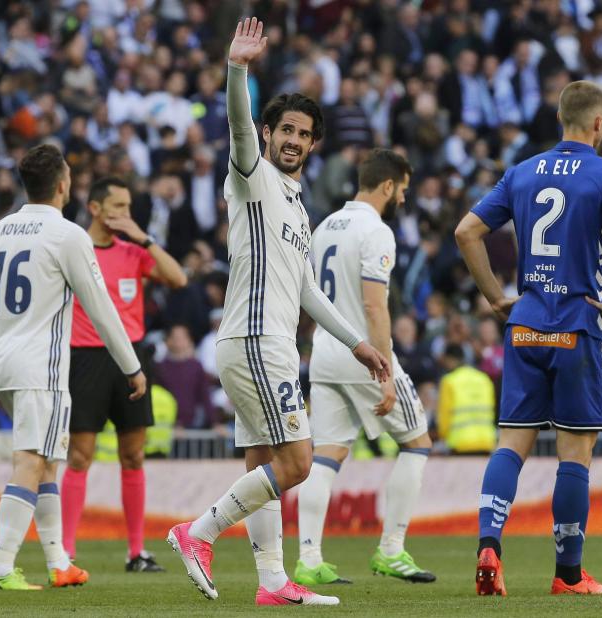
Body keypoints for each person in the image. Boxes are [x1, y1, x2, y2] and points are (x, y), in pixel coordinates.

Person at [166, 19, 389, 607]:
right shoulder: (252, 176)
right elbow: (237, 125)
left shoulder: (295, 201)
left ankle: (271, 583)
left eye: (304, 133)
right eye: (284, 128)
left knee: (263, 459)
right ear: (268, 133)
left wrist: (358, 341)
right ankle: (198, 532)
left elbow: (310, 292)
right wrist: (237, 69)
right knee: (297, 463)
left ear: (314, 144)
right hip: (255, 339)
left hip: (273, 342)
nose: (293, 138)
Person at [0, 144, 147, 590]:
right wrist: (131, 365)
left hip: (4, 362)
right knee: (31, 461)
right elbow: (102, 308)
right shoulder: (68, 235)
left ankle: (58, 562)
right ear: (64, 185)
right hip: (42, 368)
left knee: (48, 461)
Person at [455, 80, 602, 596]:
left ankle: (489, 544)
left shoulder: (523, 171)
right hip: (577, 326)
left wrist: (495, 296)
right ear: (598, 124)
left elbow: (465, 232)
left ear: (561, 119)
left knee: (511, 443)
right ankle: (568, 574)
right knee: (573, 454)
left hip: (526, 324)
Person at [296, 148, 436, 587]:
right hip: (364, 355)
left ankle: (308, 559)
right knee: (417, 443)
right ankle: (391, 550)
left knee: (327, 455)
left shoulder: (323, 227)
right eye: (404, 191)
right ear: (389, 186)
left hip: (324, 352)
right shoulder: (376, 232)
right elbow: (375, 307)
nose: (405, 201)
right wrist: (387, 371)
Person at [61, 176, 187, 572]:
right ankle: (64, 552)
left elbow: (178, 278)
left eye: (129, 207)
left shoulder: (134, 252)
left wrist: (144, 237)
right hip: (86, 357)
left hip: (132, 358)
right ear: (95, 208)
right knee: (79, 456)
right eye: (118, 207)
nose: (125, 215)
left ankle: (137, 552)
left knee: (133, 455)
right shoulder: (73, 248)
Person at [437, 343, 497, 455]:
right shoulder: (484, 379)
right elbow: (492, 409)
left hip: (460, 444)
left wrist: (443, 436)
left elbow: (444, 417)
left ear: (449, 359)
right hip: (486, 442)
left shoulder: (449, 381)